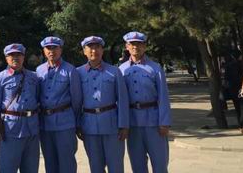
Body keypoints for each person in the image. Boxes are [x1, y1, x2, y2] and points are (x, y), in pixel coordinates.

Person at [118, 31, 171, 173]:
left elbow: (163, 96)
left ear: (145, 46)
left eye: (139, 44)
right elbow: (120, 100)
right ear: (127, 46)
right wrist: (123, 124)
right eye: (132, 44)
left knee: (160, 164)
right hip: (132, 123)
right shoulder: (121, 70)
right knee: (137, 165)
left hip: (153, 122)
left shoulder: (155, 68)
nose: (135, 47)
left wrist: (164, 122)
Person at [76, 36, 129, 173]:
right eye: (90, 47)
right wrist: (78, 124)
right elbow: (76, 101)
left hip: (111, 125)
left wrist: (124, 125)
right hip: (89, 126)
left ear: (102, 50)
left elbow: (122, 99)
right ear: (84, 51)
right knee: (96, 166)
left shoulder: (114, 71)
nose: (94, 50)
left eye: (97, 47)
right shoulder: (78, 73)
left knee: (116, 166)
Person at [0, 43, 40, 173]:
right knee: (8, 168)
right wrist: (5, 116)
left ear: (23, 57)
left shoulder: (34, 77)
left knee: (31, 168)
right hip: (11, 128)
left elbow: (38, 97)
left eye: (18, 55)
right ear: (6, 58)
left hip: (32, 128)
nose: (15, 58)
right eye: (11, 55)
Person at [36, 36, 82, 173]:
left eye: (55, 48)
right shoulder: (39, 70)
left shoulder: (70, 70)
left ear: (60, 50)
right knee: (50, 162)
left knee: (66, 162)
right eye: (48, 48)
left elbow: (77, 100)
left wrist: (75, 121)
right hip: (45, 123)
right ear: (44, 51)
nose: (52, 51)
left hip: (64, 123)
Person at [222, 51, 243, 134]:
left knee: (237, 108)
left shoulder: (228, 66)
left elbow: (225, 79)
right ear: (240, 56)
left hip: (233, 89)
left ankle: (240, 125)